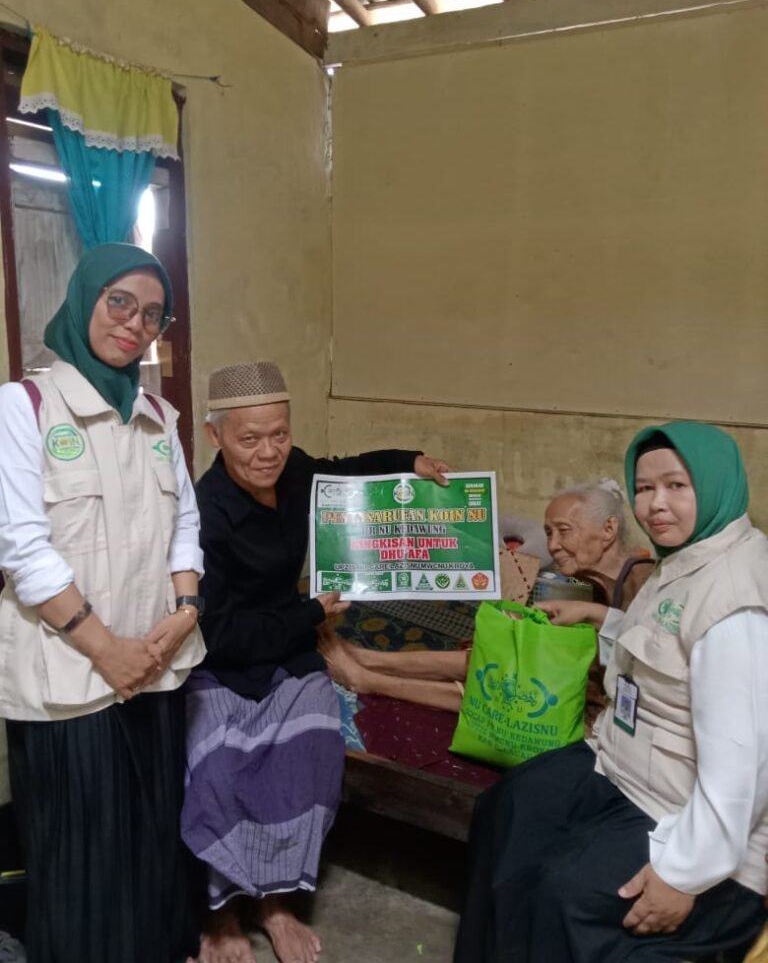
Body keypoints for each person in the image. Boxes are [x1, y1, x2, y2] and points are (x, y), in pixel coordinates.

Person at [454, 421, 768, 963]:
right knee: (508, 807)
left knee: (563, 889)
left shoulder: (736, 601)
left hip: (685, 815)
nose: (656, 504)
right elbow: (667, 645)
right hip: (623, 768)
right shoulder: (687, 558)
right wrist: (597, 617)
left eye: (676, 485)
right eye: (644, 488)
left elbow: (743, 770)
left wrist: (681, 875)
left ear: (717, 484)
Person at [181, 362, 449, 963]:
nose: (268, 452)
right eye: (250, 439)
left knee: (312, 749)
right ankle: (221, 912)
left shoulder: (295, 470)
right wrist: (309, 613)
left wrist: (411, 462)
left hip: (289, 646)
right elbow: (217, 633)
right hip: (224, 656)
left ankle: (276, 903)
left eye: (279, 434)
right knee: (213, 761)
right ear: (215, 435)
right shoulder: (204, 512)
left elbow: (342, 472)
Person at [0, 243, 206, 963]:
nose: (134, 323)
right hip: (68, 676)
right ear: (84, 297)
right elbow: (23, 548)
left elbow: (185, 524)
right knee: (82, 862)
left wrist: (184, 612)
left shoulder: (157, 416)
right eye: (120, 301)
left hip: (155, 664)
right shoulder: (23, 407)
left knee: (151, 843)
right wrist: (107, 650)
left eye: (152, 313)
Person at [318, 480, 652, 718]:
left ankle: (367, 678)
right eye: (549, 533)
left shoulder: (643, 583)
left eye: (564, 531)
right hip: (571, 686)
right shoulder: (593, 582)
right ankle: (372, 659)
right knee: (496, 650)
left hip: (590, 717)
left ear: (608, 530)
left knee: (499, 681)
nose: (552, 546)